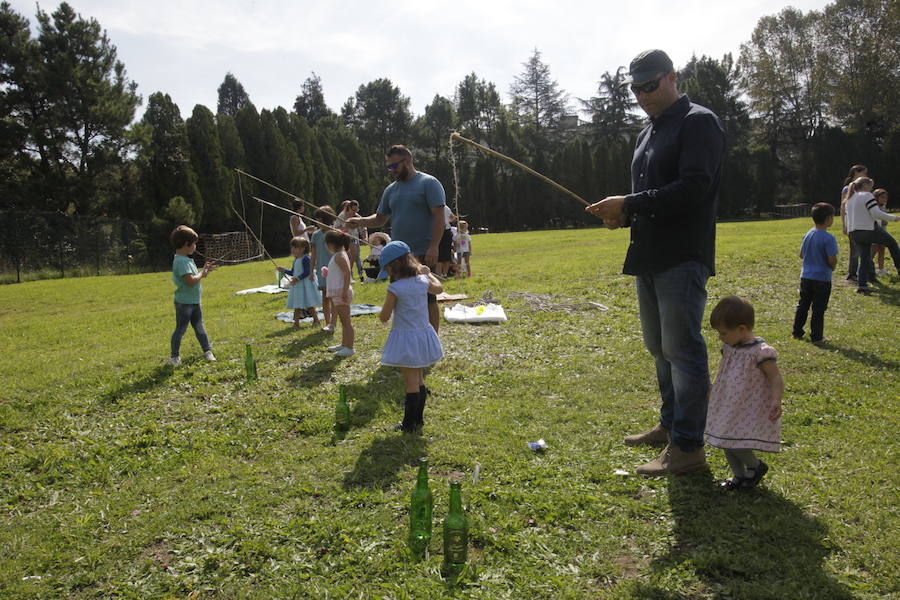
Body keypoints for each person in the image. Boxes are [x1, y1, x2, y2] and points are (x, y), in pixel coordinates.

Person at [585, 49, 726, 476]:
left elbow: (693, 188)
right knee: (658, 348)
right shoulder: (647, 133)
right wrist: (624, 214)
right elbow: (651, 197)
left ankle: (688, 446)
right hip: (647, 254)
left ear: (673, 78)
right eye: (636, 88)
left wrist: (629, 201)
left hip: (682, 254)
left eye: (650, 85)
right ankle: (670, 424)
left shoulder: (698, 122)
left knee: (682, 350)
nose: (642, 94)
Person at [348, 145, 446, 333]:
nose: (391, 171)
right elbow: (380, 218)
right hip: (398, 256)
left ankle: (432, 338)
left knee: (428, 297)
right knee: (400, 298)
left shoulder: (429, 183)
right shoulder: (391, 190)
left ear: (407, 161)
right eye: (389, 167)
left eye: (394, 166)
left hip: (423, 251)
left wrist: (434, 246)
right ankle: (406, 337)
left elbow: (439, 217)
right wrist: (359, 221)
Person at [706, 296, 783, 490]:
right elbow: (724, 372)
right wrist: (714, 392)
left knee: (736, 441)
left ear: (742, 329)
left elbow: (775, 377)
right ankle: (739, 476)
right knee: (725, 439)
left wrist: (776, 400)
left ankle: (755, 467)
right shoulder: (730, 348)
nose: (720, 338)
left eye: (723, 333)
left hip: (746, 405)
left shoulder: (761, 352)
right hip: (727, 401)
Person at [377, 241, 444, 433]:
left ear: (393, 268)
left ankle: (408, 424)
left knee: (411, 382)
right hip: (423, 336)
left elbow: (384, 315)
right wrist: (427, 272)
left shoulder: (395, 289)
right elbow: (439, 289)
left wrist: (382, 316)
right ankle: (418, 420)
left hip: (406, 340)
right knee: (419, 378)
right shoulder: (422, 281)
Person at [168, 225, 217, 366]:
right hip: (184, 304)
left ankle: (207, 351)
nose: (195, 246)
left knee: (199, 327)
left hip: (194, 301)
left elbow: (195, 277)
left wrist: (204, 271)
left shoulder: (186, 260)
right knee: (180, 330)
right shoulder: (180, 261)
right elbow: (190, 281)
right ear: (185, 244)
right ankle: (175, 357)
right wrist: (202, 274)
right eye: (194, 243)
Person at [845, 177, 900, 295]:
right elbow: (875, 213)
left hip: (854, 232)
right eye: (871, 185)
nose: (872, 188)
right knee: (892, 243)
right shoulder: (867, 195)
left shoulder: (849, 199)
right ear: (865, 185)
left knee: (865, 258)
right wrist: (894, 218)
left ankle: (862, 285)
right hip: (868, 229)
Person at [792, 203, 838, 343]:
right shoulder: (828, 238)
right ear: (829, 218)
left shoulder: (808, 234)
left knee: (803, 305)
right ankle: (817, 337)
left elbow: (801, 254)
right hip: (822, 278)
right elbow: (832, 259)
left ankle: (797, 332)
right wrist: (833, 266)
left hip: (806, 276)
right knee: (818, 309)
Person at [323, 230, 355, 357]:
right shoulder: (339, 255)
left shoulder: (339, 255)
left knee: (346, 322)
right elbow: (340, 273)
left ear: (330, 244)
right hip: (339, 293)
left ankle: (350, 347)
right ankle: (344, 344)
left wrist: (344, 291)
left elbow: (347, 273)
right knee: (343, 321)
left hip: (342, 293)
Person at [277, 237, 321, 328]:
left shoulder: (306, 259)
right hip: (298, 286)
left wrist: (297, 278)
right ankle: (296, 322)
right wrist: (283, 270)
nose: (292, 250)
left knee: (309, 304)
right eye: (292, 247)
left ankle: (316, 320)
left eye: (294, 248)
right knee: (297, 304)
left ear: (302, 248)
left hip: (305, 285)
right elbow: (293, 272)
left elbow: (307, 271)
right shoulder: (296, 259)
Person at [310, 205, 337, 332]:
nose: (316, 222)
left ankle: (333, 323)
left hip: (334, 271)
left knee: (333, 298)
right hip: (322, 272)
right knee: (325, 298)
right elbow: (313, 255)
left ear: (325, 219)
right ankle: (327, 323)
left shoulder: (334, 233)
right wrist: (311, 271)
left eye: (318, 219)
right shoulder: (315, 235)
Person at [839, 165, 868, 282]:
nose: (866, 176)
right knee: (855, 249)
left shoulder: (864, 188)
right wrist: (843, 224)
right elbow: (842, 206)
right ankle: (852, 273)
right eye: (864, 173)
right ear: (856, 173)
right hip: (851, 222)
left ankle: (866, 272)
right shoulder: (847, 189)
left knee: (865, 248)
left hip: (863, 222)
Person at [335, 200, 367, 282]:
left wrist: (364, 237)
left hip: (354, 239)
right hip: (344, 240)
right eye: (353, 210)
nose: (355, 212)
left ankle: (355, 275)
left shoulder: (357, 216)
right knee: (348, 257)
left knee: (355, 257)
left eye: (357, 210)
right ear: (348, 208)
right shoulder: (342, 216)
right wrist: (346, 227)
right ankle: (347, 276)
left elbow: (363, 228)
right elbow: (336, 229)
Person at [872, 189, 890, 276]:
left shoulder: (883, 206)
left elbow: (885, 220)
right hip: (874, 232)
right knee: (873, 251)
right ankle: (867, 268)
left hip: (882, 231)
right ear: (876, 197)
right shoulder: (873, 207)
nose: (884, 199)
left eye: (886, 197)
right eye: (882, 197)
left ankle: (881, 269)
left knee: (882, 250)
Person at [436, 206, 455, 277]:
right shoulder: (446, 207)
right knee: (447, 253)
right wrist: (447, 220)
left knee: (439, 254)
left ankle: (439, 274)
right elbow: (452, 218)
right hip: (447, 230)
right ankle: (445, 274)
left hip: (438, 230)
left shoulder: (434, 206)